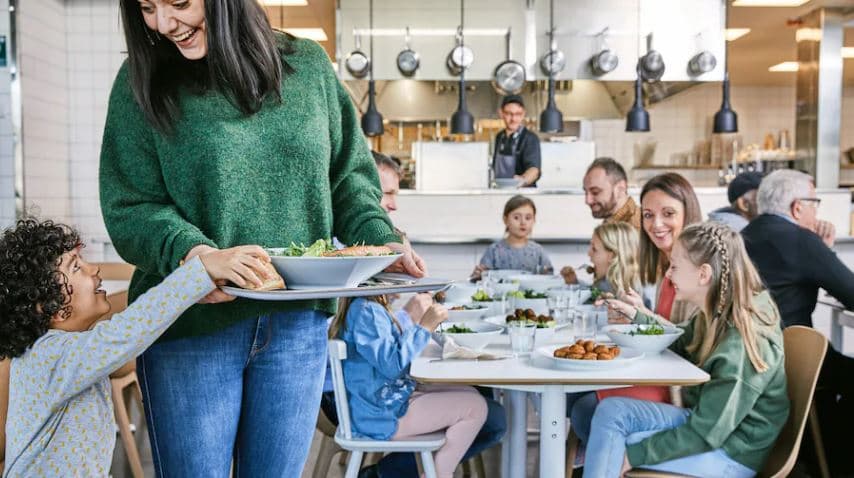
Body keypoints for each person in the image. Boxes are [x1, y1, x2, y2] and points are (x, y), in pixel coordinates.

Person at [100, 2, 424, 475]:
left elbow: (348, 179)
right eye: (148, 8)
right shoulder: (141, 81)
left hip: (296, 324)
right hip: (193, 326)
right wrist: (198, 257)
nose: (164, 24)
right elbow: (131, 204)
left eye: (180, 3)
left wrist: (380, 239)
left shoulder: (308, 67)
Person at [0, 219, 272, 476]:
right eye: (76, 268)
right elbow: (127, 331)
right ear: (48, 307)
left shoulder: (62, 351)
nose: (93, 269)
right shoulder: (49, 357)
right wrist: (199, 271)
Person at [583, 222, 788, 478]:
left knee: (617, 442)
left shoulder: (742, 343)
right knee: (610, 411)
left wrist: (636, 455)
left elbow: (707, 433)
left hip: (731, 452)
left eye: (675, 266)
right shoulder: (718, 308)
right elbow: (679, 340)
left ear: (703, 274)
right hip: (709, 424)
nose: (668, 275)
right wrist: (638, 316)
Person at [741, 169, 854, 474]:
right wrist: (821, 251)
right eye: (814, 202)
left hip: (747, 359)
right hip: (790, 363)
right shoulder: (801, 241)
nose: (817, 210)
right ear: (797, 207)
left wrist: (820, 251)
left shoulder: (742, 237)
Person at [330, 295, 487, 478]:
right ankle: (440, 473)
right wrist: (424, 327)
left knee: (470, 392)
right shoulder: (367, 311)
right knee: (475, 407)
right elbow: (392, 364)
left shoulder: (367, 308)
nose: (398, 294)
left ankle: (433, 471)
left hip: (381, 403)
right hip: (379, 416)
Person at [471, 195, 553, 280]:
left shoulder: (538, 251)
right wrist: (478, 275)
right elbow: (481, 279)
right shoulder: (494, 251)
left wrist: (547, 274)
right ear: (505, 220)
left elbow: (550, 278)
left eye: (528, 218)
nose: (523, 222)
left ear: (534, 220)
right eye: (516, 217)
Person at [492, 95, 541, 187]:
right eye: (509, 114)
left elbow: (534, 170)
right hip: (500, 191)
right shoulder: (499, 137)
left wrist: (523, 179)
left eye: (518, 114)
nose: (513, 119)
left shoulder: (530, 138)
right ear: (501, 113)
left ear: (523, 114)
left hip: (522, 193)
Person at [582, 157, 641, 228]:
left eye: (595, 192)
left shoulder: (635, 228)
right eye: (586, 192)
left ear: (620, 189)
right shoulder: (612, 222)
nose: (588, 201)